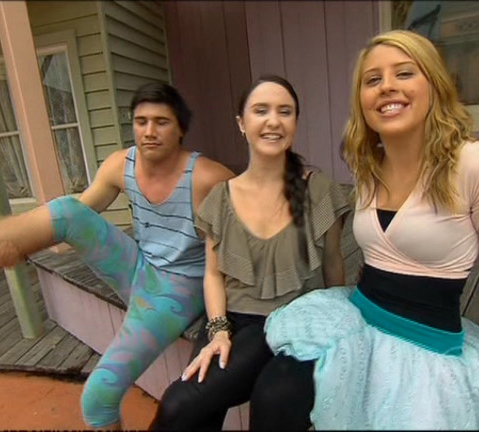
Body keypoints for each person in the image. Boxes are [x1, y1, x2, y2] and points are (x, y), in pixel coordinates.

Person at [263, 30, 479, 430]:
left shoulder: (477, 164)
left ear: (435, 85)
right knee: (274, 394)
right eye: (372, 79)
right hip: (357, 318)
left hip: (426, 345)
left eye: (404, 73)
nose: (387, 86)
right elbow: (384, 252)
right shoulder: (369, 165)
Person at [0, 82, 234, 428]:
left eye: (161, 122)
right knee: (66, 209)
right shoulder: (122, 165)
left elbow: (238, 250)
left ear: (181, 129)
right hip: (138, 266)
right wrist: (21, 247)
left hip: (176, 291)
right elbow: (73, 220)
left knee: (97, 400)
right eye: (141, 121)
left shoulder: (207, 178)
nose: (149, 131)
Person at [149, 75, 350, 430]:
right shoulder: (221, 198)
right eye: (261, 111)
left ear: (295, 123)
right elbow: (213, 275)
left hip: (291, 325)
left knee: (265, 407)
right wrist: (218, 331)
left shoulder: (320, 191)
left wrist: (337, 333)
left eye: (284, 111)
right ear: (242, 123)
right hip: (231, 322)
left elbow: (334, 267)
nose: (273, 121)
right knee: (181, 407)